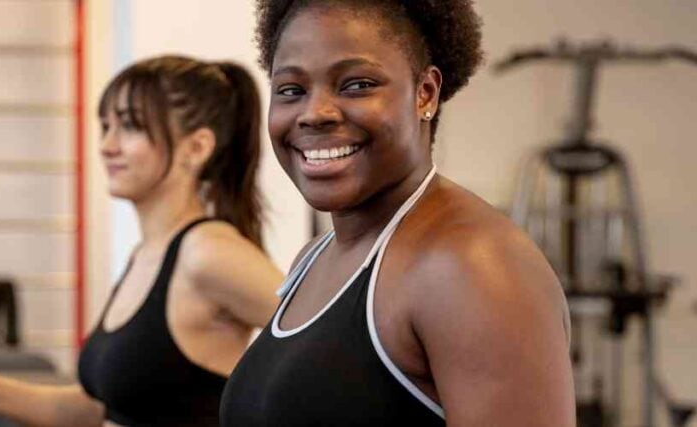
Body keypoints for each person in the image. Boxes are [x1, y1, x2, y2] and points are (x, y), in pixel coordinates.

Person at [219, 1, 575, 425]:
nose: (315, 113)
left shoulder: (472, 265)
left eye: (356, 84)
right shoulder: (314, 258)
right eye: (291, 90)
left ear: (425, 92)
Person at [0, 56, 284, 426]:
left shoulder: (208, 253)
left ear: (197, 147)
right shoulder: (146, 255)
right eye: (105, 126)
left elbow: (326, 349)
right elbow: (98, 410)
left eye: (130, 126)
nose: (107, 145)